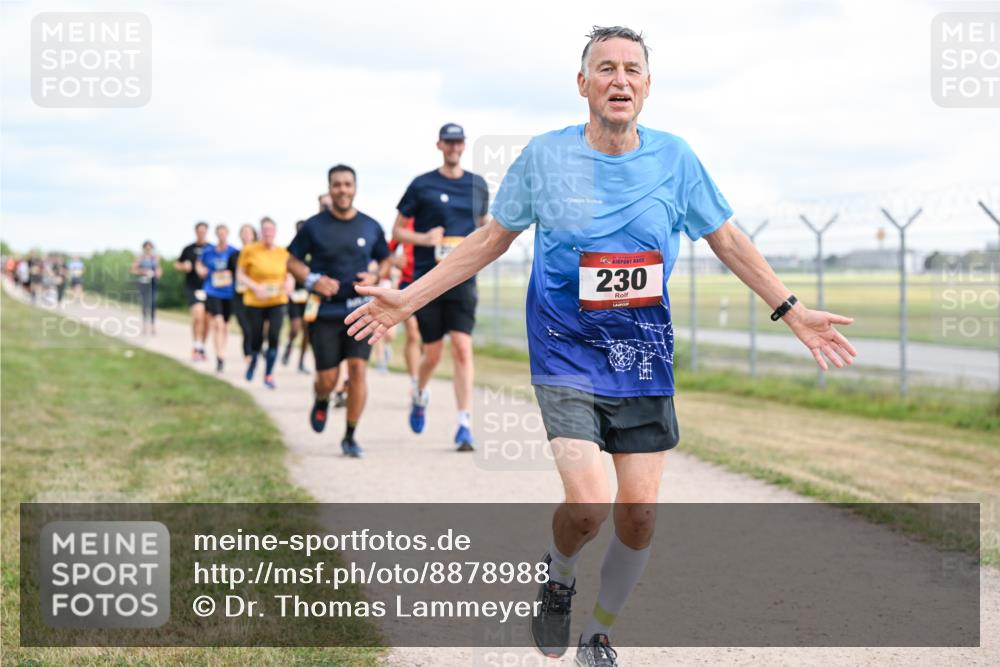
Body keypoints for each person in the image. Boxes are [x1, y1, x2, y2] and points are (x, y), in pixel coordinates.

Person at [345, 26, 857, 666]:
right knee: (588, 503)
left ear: (647, 85)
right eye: (606, 68)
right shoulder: (545, 157)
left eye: (632, 69)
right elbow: (491, 239)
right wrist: (409, 298)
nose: (620, 79)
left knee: (638, 514)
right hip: (564, 351)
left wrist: (792, 310)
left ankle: (599, 633)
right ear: (583, 83)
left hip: (642, 358)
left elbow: (727, 239)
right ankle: (559, 577)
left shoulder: (676, 159)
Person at [392, 123, 489, 451]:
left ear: (464, 145)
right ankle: (420, 393)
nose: (453, 147)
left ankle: (464, 424)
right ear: (439, 145)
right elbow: (398, 231)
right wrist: (424, 238)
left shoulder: (477, 185)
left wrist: (484, 240)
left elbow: (485, 227)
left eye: (458, 142)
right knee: (432, 354)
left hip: (463, 279)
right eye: (448, 142)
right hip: (429, 280)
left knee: (462, 347)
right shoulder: (422, 185)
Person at [287, 164, 390, 458]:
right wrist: (313, 280)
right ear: (330, 188)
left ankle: (350, 436)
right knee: (328, 380)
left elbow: (386, 261)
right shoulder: (314, 226)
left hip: (360, 311)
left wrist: (375, 276)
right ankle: (322, 398)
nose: (342, 189)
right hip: (325, 313)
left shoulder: (370, 226)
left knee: (358, 370)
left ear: (355, 188)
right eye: (337, 185)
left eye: (347, 184)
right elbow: (292, 262)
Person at [237, 217, 292, 389]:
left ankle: (269, 374)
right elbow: (240, 275)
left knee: (274, 336)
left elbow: (289, 274)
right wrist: (255, 287)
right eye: (265, 230)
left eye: (271, 230)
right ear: (260, 232)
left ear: (275, 232)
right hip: (255, 301)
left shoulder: (283, 252)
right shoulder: (249, 250)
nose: (268, 233)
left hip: (277, 300)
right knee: (256, 337)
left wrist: (290, 283)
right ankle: (253, 361)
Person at [197, 224, 239, 372]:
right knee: (218, 323)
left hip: (229, 293)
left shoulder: (234, 252)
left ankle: (222, 351)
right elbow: (199, 264)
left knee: (225, 326)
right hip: (213, 291)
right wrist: (200, 270)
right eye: (219, 233)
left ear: (227, 234)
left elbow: (240, 268)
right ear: (216, 235)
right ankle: (219, 357)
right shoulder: (208, 252)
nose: (222, 236)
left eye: (224, 233)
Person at [388, 218, 422, 389]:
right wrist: (395, 260)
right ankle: (415, 382)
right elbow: (386, 252)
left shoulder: (439, 219)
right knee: (413, 333)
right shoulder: (405, 223)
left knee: (428, 341)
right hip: (407, 285)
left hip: (433, 285)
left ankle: (422, 378)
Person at [175, 222, 210, 361]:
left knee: (206, 319)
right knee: (198, 315)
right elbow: (177, 264)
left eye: (203, 231)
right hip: (192, 287)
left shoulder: (211, 249)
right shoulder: (188, 249)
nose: (201, 233)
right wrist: (183, 266)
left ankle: (202, 346)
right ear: (196, 232)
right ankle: (196, 347)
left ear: (206, 232)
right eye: (199, 231)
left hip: (208, 288)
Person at [283, 220, 312, 375]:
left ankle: (301, 361)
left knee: (308, 331)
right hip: (295, 295)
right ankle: (289, 344)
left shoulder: (315, 248)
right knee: (295, 327)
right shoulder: (292, 249)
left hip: (311, 297)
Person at [233, 223, 259, 365]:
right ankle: (248, 353)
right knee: (245, 327)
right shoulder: (234, 255)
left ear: (254, 235)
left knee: (256, 327)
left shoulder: (259, 254)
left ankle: (255, 350)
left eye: (249, 233)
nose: (246, 235)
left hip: (256, 296)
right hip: (239, 296)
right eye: (243, 233)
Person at [131, 241, 162, 335]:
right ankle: (144, 326)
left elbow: (159, 270)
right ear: (144, 248)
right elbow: (133, 270)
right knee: (144, 305)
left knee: (153, 304)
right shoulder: (140, 258)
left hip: (152, 283)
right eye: (146, 248)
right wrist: (143, 271)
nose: (148, 250)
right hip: (143, 284)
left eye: (150, 248)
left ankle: (153, 326)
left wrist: (156, 273)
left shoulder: (155, 258)